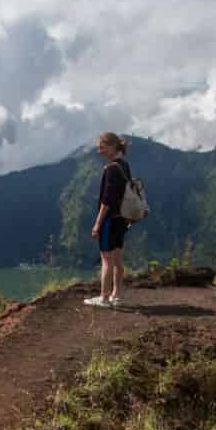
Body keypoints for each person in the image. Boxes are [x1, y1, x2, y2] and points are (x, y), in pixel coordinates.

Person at [86, 132, 133, 309]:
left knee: (106, 260)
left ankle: (104, 298)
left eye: (102, 147)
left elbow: (107, 200)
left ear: (112, 146)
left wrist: (97, 224)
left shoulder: (112, 168)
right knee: (118, 258)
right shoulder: (124, 165)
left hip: (109, 220)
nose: (99, 151)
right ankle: (117, 295)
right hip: (121, 219)